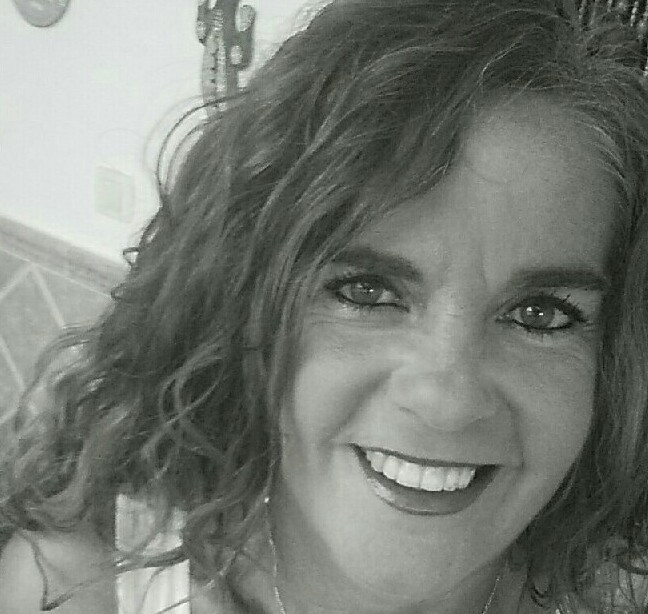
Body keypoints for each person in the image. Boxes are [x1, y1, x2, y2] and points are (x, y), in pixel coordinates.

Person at [2, 0, 648, 612]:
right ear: (238, 306)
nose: (447, 402)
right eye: (366, 291)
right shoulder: (76, 590)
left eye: (540, 314)